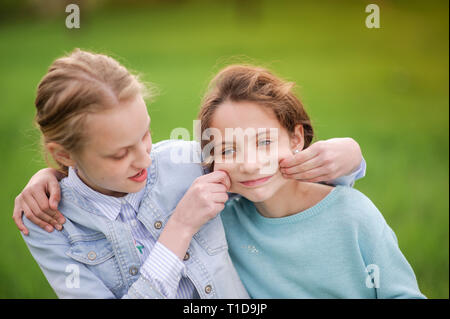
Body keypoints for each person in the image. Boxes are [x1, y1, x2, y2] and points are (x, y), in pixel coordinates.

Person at [13, 49, 365, 298]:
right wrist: (180, 227)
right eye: (120, 153)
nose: (143, 159)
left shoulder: (183, 163)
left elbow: (275, 181)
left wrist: (351, 158)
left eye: (145, 135)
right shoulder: (49, 226)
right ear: (64, 154)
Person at [198, 64, 426, 298]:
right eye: (227, 150)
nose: (249, 165)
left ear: (296, 139)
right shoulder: (221, 225)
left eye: (265, 142)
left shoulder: (352, 214)